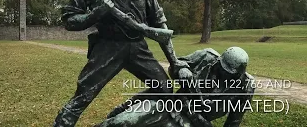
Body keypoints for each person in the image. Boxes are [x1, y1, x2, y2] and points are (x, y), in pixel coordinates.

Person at [53, 0, 190, 126]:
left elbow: (159, 22)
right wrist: (96, 14)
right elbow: (70, 20)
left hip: (138, 47)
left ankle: (124, 112)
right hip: (108, 48)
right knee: (83, 96)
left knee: (164, 88)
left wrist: (174, 61)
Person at [100, 47, 255, 127]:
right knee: (123, 121)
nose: (222, 72)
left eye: (228, 72)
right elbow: (176, 65)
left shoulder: (246, 87)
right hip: (171, 104)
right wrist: (182, 69)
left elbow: (233, 122)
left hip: (194, 123)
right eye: (221, 67)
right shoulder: (206, 56)